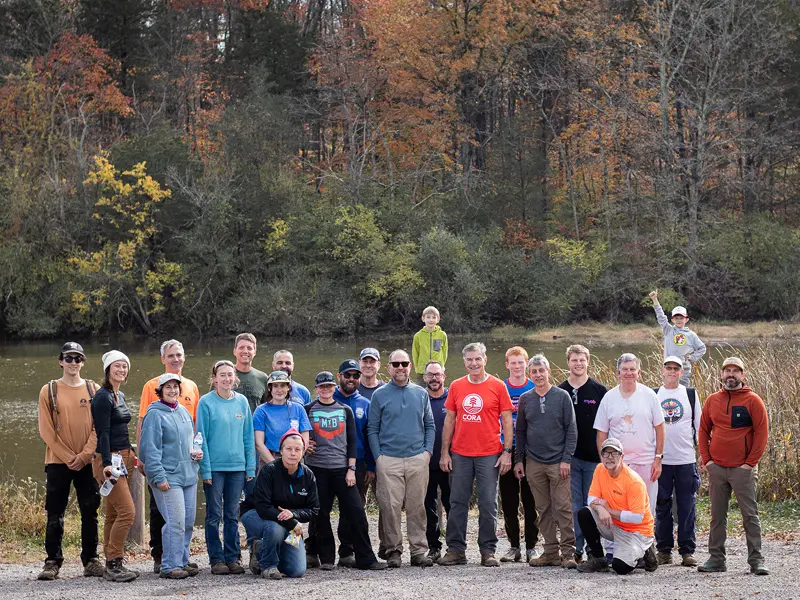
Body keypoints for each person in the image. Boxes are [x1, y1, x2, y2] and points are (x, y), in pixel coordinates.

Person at [438, 342, 514, 567]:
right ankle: (456, 550)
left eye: (477, 359)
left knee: (488, 503)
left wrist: (507, 452)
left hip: (489, 454)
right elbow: (449, 421)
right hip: (460, 453)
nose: (474, 363)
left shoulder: (498, 386)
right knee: (457, 502)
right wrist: (444, 453)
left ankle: (487, 551)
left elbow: (507, 421)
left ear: (485, 360)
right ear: (464, 362)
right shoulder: (456, 386)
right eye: (469, 359)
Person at [304, 371, 387, 571]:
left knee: (356, 512)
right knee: (320, 515)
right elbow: (301, 435)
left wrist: (351, 469)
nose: (325, 389)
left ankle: (366, 558)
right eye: (322, 386)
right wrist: (305, 445)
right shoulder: (308, 409)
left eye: (329, 386)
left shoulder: (345, 410)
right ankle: (326, 558)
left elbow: (352, 442)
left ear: (334, 387)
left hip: (342, 469)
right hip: (317, 469)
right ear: (316, 388)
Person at [37, 342, 103, 581]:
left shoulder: (94, 389)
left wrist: (84, 455)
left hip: (87, 462)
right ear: (60, 361)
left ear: (83, 362)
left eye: (78, 358)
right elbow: (46, 430)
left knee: (90, 511)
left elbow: (99, 426)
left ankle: (91, 560)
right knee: (55, 512)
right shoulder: (49, 390)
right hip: (58, 462)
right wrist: (67, 457)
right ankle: (52, 561)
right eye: (69, 358)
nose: (73, 362)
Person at [697, 357, 769, 575]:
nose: (731, 374)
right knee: (717, 516)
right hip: (717, 468)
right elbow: (703, 430)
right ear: (721, 375)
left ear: (743, 375)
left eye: (735, 371)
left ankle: (756, 560)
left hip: (742, 470)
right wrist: (708, 460)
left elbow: (761, 434)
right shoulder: (712, 400)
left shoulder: (753, 401)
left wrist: (749, 464)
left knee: (750, 515)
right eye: (727, 370)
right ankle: (716, 559)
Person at [136, 339, 201, 574]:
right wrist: (158, 476)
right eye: (168, 388)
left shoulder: (182, 411)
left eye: (175, 387)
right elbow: (149, 449)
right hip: (168, 476)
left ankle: (181, 560)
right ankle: (169, 565)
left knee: (187, 522)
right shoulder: (155, 414)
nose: (172, 391)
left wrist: (197, 453)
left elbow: (192, 437)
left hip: (188, 474)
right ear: (160, 391)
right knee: (175, 522)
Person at [367, 350, 436, 568]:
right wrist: (378, 457)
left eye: (404, 363)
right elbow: (372, 428)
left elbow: (430, 425)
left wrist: (427, 453)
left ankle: (418, 551)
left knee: (417, 506)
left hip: (417, 458)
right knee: (390, 507)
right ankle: (393, 550)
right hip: (389, 459)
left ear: (410, 366)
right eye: (395, 364)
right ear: (388, 367)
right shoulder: (379, 395)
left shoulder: (421, 393)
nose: (400, 367)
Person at [515, 354, 578, 569]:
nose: (538, 375)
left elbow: (571, 429)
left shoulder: (562, 396)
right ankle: (550, 551)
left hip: (558, 462)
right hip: (534, 462)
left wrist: (566, 459)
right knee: (542, 509)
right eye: (534, 372)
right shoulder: (526, 399)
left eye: (541, 370)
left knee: (563, 508)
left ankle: (568, 553)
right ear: (529, 374)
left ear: (548, 372)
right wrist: (519, 460)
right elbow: (520, 431)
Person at [196, 360, 256, 575]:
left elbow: (248, 436)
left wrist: (250, 467)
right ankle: (216, 559)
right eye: (222, 375)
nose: (226, 379)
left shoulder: (241, 402)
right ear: (214, 379)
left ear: (235, 378)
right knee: (214, 514)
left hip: (238, 468)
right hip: (215, 468)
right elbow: (201, 437)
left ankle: (233, 557)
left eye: (230, 375)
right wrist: (205, 469)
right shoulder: (205, 402)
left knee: (231, 514)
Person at [240, 429, 320, 580]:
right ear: (281, 451)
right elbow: (263, 507)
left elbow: (314, 509)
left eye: (297, 449)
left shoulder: (308, 475)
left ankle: (261, 548)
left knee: (296, 570)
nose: (293, 453)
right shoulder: (269, 470)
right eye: (288, 449)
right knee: (275, 527)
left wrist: (293, 514)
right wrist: (292, 522)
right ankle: (268, 566)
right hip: (255, 514)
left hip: (288, 521)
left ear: (303, 452)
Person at [594, 353, 665, 515]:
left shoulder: (649, 395)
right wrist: (605, 462)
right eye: (624, 369)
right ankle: (621, 533)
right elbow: (601, 433)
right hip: (618, 464)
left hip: (646, 463)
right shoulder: (609, 398)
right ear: (618, 373)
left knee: (645, 509)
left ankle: (646, 533)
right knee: (618, 508)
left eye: (632, 369)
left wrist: (658, 458)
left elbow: (660, 428)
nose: (629, 373)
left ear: (639, 373)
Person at [576, 438, 658, 575]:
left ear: (622, 456)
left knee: (620, 567)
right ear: (601, 456)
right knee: (585, 513)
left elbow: (637, 517)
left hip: (636, 532)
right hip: (613, 524)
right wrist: (600, 509)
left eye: (614, 453)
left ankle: (645, 551)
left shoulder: (633, 481)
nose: (609, 457)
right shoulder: (600, 469)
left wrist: (608, 510)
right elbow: (591, 498)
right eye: (606, 453)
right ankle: (598, 559)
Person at [90, 350, 138, 582]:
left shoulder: (120, 395)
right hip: (109, 460)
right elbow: (103, 433)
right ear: (108, 370)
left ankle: (111, 561)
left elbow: (121, 428)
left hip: (124, 457)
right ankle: (114, 562)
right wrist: (107, 464)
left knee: (113, 513)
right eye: (117, 366)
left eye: (124, 366)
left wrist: (131, 454)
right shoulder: (102, 397)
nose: (121, 369)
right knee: (128, 512)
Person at [557, 344, 607, 564]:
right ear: (568, 362)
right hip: (570, 459)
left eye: (582, 360)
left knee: (593, 504)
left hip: (594, 459)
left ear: (588, 362)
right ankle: (576, 548)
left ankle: (593, 548)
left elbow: (606, 425)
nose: (578, 364)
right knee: (575, 505)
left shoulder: (599, 391)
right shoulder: (560, 391)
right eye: (574, 360)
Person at [654, 356, 701, 567]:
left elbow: (699, 427)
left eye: (676, 368)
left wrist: (703, 455)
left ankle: (687, 551)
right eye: (669, 368)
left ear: (682, 372)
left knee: (687, 507)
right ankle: (664, 550)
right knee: (662, 506)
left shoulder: (690, 394)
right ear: (663, 370)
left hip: (685, 460)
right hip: (661, 460)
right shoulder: (654, 394)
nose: (672, 371)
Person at [332, 359, 377, 566]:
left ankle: (347, 551)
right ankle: (314, 550)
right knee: (321, 508)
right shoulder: (328, 398)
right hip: (330, 462)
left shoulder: (365, 404)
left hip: (358, 464)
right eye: (347, 375)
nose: (351, 379)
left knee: (353, 508)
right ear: (339, 376)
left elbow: (370, 436)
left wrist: (371, 466)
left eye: (355, 375)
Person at [499, 346, 538, 563]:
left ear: (527, 364)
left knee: (531, 500)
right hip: (506, 449)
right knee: (509, 500)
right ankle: (513, 546)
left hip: (530, 450)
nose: (517, 366)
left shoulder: (534, 387)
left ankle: (532, 546)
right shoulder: (500, 387)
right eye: (513, 363)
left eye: (521, 362)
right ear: (507, 365)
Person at [253, 371, 311, 468]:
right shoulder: (261, 410)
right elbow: (259, 443)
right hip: (270, 461)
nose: (279, 390)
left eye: (283, 386)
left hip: (295, 460)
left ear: (288, 387)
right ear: (269, 388)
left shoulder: (299, 409)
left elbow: (305, 439)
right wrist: (276, 466)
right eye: (275, 386)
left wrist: (294, 460)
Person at [649, 290, 706, 387]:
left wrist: (692, 357)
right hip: (668, 370)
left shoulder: (691, 335)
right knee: (669, 392)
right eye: (676, 318)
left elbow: (702, 348)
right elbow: (661, 317)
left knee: (684, 393)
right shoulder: (668, 330)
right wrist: (655, 300)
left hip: (684, 372)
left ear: (686, 319)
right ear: (672, 320)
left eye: (681, 318)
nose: (679, 320)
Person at [423, 360, 450, 562]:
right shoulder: (419, 398)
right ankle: (434, 546)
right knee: (428, 507)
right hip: (426, 462)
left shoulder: (452, 397)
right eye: (431, 375)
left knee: (452, 505)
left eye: (437, 374)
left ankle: (454, 546)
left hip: (449, 461)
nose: (434, 378)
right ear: (425, 378)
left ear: (444, 377)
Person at [232, 333, 269, 414]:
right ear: (234, 351)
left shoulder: (263, 378)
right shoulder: (224, 375)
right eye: (241, 347)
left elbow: (267, 408)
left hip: (254, 422)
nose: (245, 351)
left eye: (249, 348)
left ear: (254, 352)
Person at [412, 306, 448, 384]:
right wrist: (418, 368)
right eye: (428, 317)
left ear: (438, 319)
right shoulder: (418, 336)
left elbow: (444, 353)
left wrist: (441, 366)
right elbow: (415, 354)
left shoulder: (442, 335)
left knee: (438, 390)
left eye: (434, 317)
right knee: (422, 390)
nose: (431, 320)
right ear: (423, 318)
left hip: (438, 371)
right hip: (422, 372)